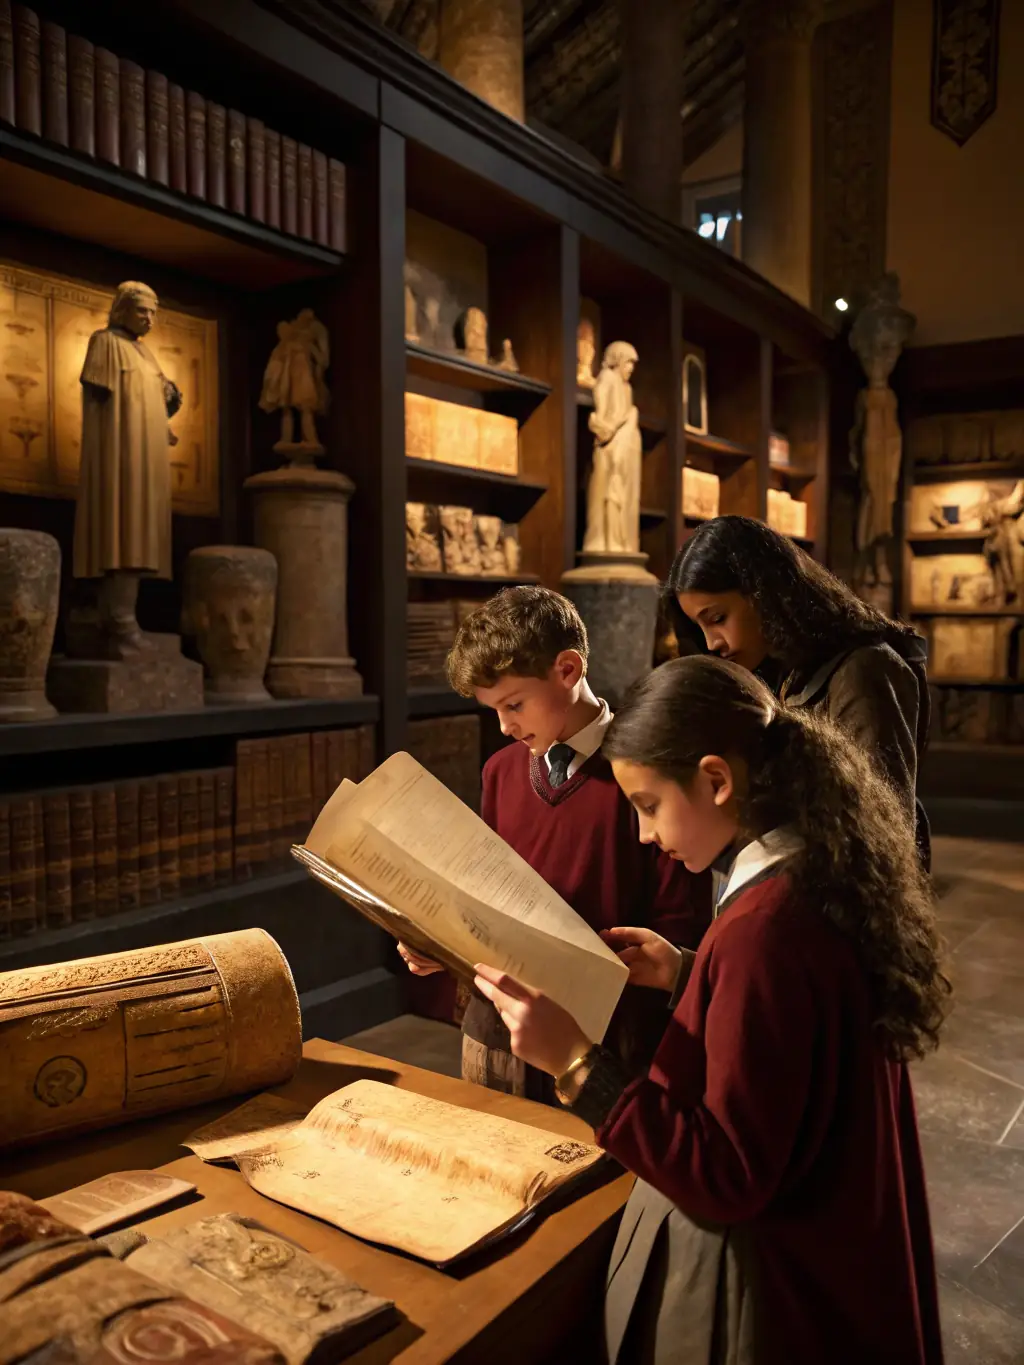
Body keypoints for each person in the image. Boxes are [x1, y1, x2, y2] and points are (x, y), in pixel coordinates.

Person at [475, 655, 948, 1364]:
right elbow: (793, 1028)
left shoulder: (763, 929)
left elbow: (724, 1171)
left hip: (775, 1282)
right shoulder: (807, 873)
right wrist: (690, 971)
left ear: (717, 779)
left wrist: (575, 1062)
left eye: (647, 805)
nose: (642, 834)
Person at [399, 585, 710, 1103]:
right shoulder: (500, 772)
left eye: (515, 704)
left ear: (568, 670)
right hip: (498, 1030)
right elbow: (485, 893)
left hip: (604, 1040)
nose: (504, 726)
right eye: (493, 710)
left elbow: (679, 922)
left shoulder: (645, 773)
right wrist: (441, 940)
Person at [664, 514, 932, 868]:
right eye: (700, 627)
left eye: (717, 618)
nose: (712, 643)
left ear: (763, 594)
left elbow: (882, 824)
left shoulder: (863, 669)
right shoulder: (779, 669)